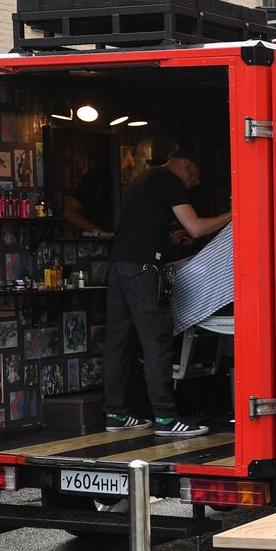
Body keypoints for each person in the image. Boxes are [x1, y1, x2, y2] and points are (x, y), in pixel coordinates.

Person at [102, 149, 230, 436]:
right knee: (157, 341)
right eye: (195, 178)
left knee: (117, 342)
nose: (194, 184)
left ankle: (115, 414)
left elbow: (151, 229)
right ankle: (165, 419)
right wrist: (234, 213)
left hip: (119, 268)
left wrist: (172, 239)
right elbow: (196, 228)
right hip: (144, 271)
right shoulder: (169, 180)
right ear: (185, 164)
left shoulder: (142, 180)